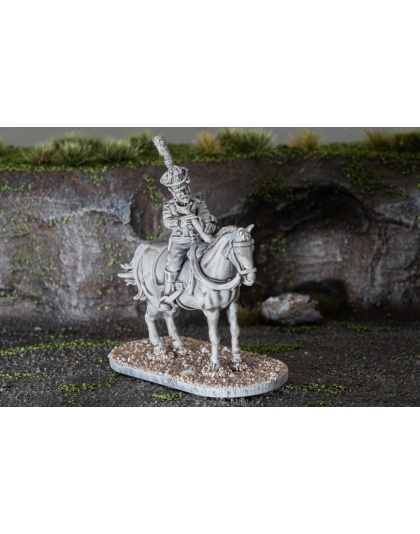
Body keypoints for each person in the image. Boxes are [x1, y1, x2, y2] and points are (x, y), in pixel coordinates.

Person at [153, 135, 217, 312]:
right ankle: (168, 295)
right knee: (174, 263)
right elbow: (168, 221)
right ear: (173, 193)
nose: (184, 193)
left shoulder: (197, 203)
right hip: (180, 242)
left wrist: (209, 224)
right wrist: (181, 220)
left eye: (185, 189)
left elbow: (206, 215)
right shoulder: (170, 207)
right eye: (179, 191)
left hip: (200, 241)